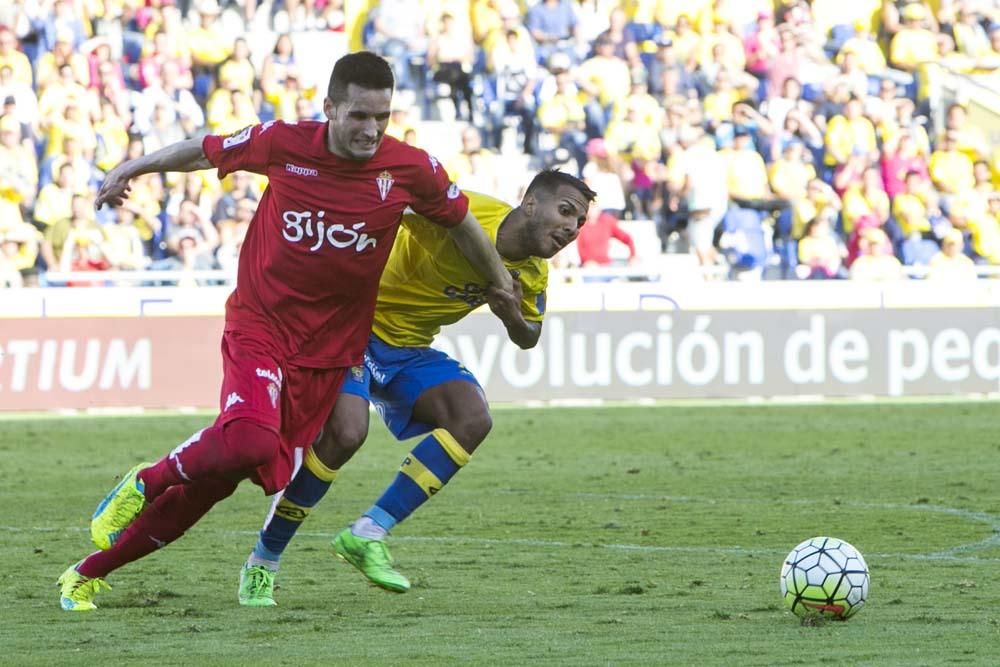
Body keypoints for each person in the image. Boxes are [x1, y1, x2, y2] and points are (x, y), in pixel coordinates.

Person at [57, 51, 515, 612]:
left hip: (332, 349)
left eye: (382, 117)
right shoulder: (283, 143)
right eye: (358, 116)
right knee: (248, 440)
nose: (371, 129)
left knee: (238, 471)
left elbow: (462, 222)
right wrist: (133, 168)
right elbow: (204, 151)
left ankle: (87, 572)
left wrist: (500, 284)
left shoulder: (411, 168)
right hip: (262, 326)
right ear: (329, 108)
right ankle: (142, 482)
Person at [237, 171, 595, 606]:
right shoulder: (467, 214)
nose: (572, 229)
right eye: (566, 212)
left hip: (406, 348)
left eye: (579, 223)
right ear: (531, 203)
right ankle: (264, 560)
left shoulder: (534, 272)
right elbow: (393, 204)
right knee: (347, 434)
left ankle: (367, 533)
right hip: (351, 326)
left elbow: (529, 335)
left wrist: (509, 314)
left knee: (472, 417)